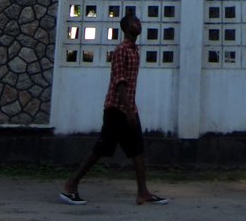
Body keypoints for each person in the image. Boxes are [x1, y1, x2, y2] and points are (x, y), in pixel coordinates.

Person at [60, 12, 168, 206]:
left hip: (128, 108)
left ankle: (143, 192)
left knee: (137, 149)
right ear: (126, 27)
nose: (139, 24)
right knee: (101, 148)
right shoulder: (121, 50)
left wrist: (131, 110)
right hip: (116, 109)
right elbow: (120, 82)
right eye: (135, 21)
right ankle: (71, 185)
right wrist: (128, 111)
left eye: (139, 21)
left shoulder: (134, 50)